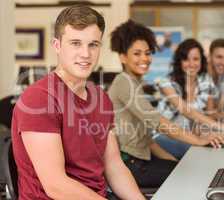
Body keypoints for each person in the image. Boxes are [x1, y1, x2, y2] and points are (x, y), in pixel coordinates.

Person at [11, 5, 145, 200]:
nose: (85, 54)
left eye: (93, 44)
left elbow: (114, 166)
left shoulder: (100, 98)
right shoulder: (39, 99)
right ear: (57, 45)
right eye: (75, 43)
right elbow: (56, 186)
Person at [108, 20, 224, 188]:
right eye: (137, 53)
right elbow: (158, 122)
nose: (145, 58)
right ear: (123, 56)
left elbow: (148, 141)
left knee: (189, 169)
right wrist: (198, 140)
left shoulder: (134, 82)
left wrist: (175, 162)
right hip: (130, 165)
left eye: (148, 53)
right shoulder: (123, 82)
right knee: (195, 177)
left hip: (141, 160)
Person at [155, 38, 224, 159]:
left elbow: (209, 114)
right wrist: (220, 127)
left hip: (189, 135)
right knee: (204, 150)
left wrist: (220, 129)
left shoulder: (205, 81)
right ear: (179, 61)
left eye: (196, 59)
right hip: (163, 136)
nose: (191, 64)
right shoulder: (166, 83)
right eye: (186, 59)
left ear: (202, 60)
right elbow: (186, 111)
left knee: (219, 144)